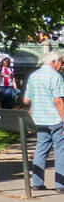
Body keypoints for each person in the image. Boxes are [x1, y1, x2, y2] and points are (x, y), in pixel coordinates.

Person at [23, 49, 64, 193]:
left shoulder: (33, 76)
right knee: (61, 151)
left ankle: (37, 183)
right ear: (54, 62)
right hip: (55, 119)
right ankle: (61, 185)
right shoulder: (56, 77)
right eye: (61, 62)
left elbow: (26, 99)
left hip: (39, 119)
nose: (61, 66)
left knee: (41, 150)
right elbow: (58, 101)